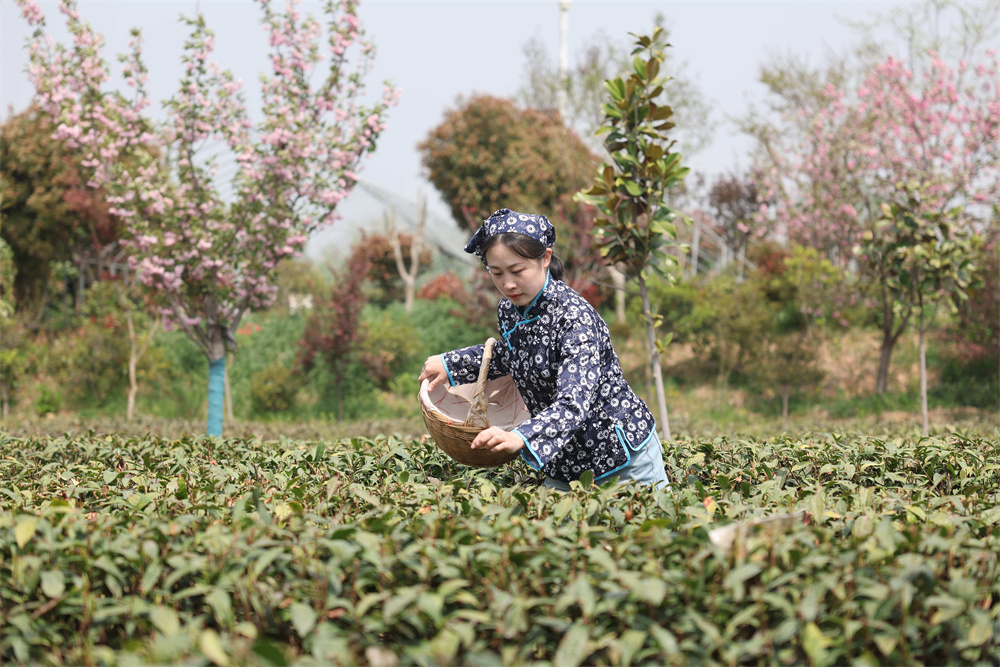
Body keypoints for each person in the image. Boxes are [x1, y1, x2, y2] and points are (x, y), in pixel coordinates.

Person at [419, 208, 669, 491]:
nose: (508, 284)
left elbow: (574, 401)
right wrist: (450, 363)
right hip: (562, 463)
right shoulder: (509, 309)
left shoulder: (574, 318)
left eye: (517, 271)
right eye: (496, 273)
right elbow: (512, 355)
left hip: (621, 458)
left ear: (545, 258)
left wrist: (520, 437)